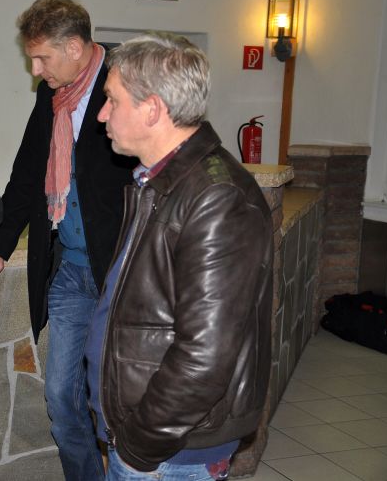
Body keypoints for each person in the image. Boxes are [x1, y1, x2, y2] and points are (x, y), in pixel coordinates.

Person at [84, 31, 273, 480]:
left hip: (170, 452)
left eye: (112, 99)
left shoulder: (216, 196)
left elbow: (206, 355)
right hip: (152, 441)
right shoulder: (159, 182)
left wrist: (139, 446)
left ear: (152, 109)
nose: (102, 113)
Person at [0, 0, 135, 480]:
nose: (35, 70)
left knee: (115, 401)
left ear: (75, 48)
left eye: (42, 58)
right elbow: (28, 172)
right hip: (69, 269)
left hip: (120, 271)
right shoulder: (52, 96)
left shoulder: (128, 83)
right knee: (62, 396)